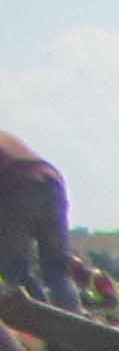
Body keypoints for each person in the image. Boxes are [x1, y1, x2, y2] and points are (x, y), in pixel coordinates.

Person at [0, 132, 77, 310]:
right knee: (57, 268)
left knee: (14, 268)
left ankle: (40, 317)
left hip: (18, 185)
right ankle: (73, 320)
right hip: (52, 182)